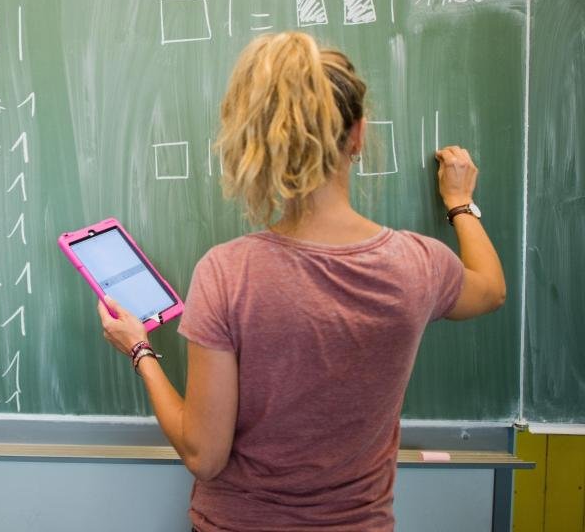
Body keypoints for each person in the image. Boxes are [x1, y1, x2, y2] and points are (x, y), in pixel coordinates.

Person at [97, 32, 506, 531]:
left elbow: (205, 456)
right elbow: (491, 289)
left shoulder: (228, 273)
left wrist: (140, 351)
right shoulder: (417, 263)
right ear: (357, 134)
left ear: (258, 143)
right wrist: (459, 202)